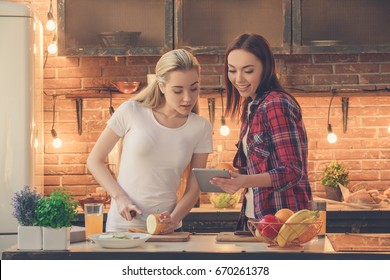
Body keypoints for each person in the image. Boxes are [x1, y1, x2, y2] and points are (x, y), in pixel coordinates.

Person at [87, 49, 213, 233]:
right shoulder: (132, 111)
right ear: (161, 86)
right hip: (123, 227)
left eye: (194, 88)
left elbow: (194, 189)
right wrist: (119, 197)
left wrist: (173, 219)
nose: (188, 98)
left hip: (167, 229)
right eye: (178, 90)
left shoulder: (201, 127)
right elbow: (94, 160)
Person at [211, 33, 312, 230]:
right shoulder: (252, 105)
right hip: (256, 217)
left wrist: (244, 181)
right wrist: (233, 178)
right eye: (232, 70)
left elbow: (292, 171)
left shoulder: (276, 104)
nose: (238, 79)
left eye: (248, 71)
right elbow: (260, 167)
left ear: (266, 68)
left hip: (282, 223)